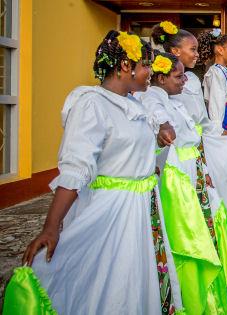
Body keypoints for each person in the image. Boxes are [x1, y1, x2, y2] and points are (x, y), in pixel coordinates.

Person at [2, 31, 179, 314]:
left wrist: (157, 142)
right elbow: (76, 167)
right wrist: (51, 226)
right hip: (111, 212)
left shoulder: (136, 106)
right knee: (112, 284)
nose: (151, 71)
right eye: (145, 64)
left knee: (136, 281)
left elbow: (133, 156)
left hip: (141, 210)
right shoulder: (91, 104)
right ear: (125, 66)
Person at [154, 22, 227, 287]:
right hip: (183, 157)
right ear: (173, 51)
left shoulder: (192, 79)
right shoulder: (168, 89)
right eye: (191, 49)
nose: (197, 53)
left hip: (198, 145)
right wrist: (217, 131)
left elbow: (203, 117)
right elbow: (213, 108)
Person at [140, 52, 227, 314]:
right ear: (160, 77)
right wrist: (163, 125)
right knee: (187, 239)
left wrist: (203, 169)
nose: (184, 81)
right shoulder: (153, 100)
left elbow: (193, 134)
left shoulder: (173, 100)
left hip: (191, 171)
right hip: (176, 176)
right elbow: (159, 122)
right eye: (178, 76)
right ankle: (188, 296)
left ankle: (199, 296)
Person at [199, 29, 227, 136]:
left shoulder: (221, 71)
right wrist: (219, 131)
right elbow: (216, 103)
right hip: (222, 129)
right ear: (220, 50)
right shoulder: (216, 72)